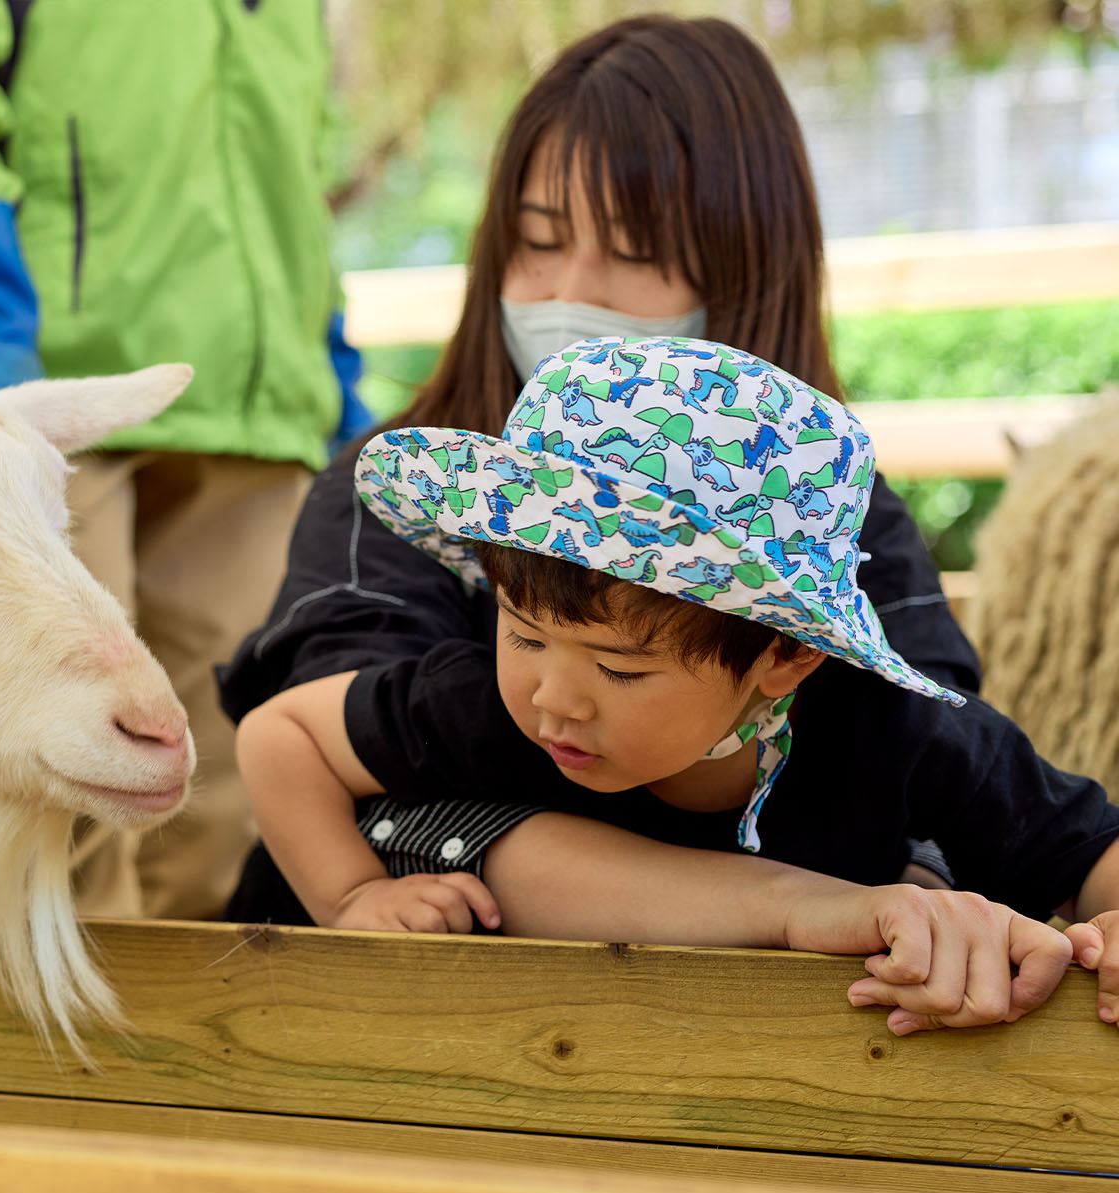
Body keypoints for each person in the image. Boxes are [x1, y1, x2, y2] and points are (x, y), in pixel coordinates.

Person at [222, 17, 977, 925]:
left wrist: (928, 913)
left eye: (637, 253)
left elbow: (954, 790)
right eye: (538, 242)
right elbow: (365, 795)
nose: (572, 290)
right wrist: (804, 908)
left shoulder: (837, 526)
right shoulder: (384, 497)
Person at [237, 334, 1119, 1034]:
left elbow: (1083, 851)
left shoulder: (892, 735)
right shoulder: (477, 704)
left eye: (620, 668)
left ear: (785, 657)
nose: (555, 700)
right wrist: (352, 893)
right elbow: (284, 736)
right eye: (523, 634)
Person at [0, 2, 371, 920]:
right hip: (41, 392)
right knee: (45, 786)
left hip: (254, 411)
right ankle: (31, 1061)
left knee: (223, 796)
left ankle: (182, 1057)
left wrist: (322, 346)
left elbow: (286, 153)